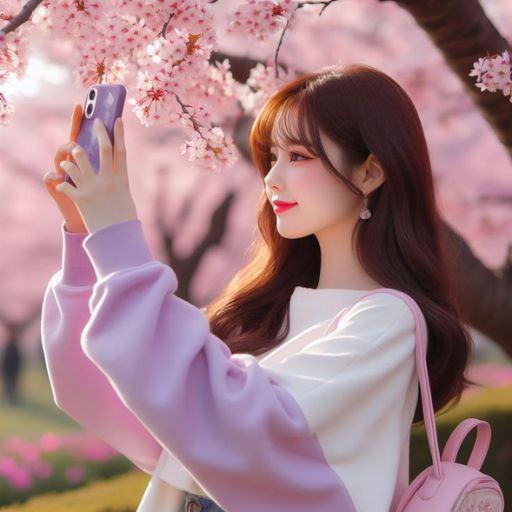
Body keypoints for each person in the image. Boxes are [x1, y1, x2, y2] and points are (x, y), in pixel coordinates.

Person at [41, 63, 474, 512]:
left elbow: (237, 424)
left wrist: (117, 234)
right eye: (272, 157)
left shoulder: (386, 323)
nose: (272, 178)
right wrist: (83, 234)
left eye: (299, 156)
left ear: (370, 173)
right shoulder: (262, 310)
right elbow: (98, 395)